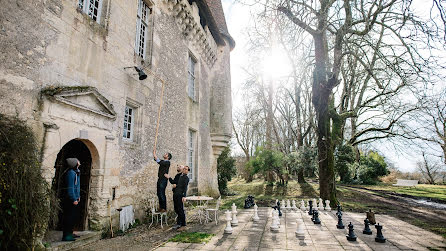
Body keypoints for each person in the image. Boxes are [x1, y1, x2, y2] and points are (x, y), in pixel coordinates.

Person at [62, 158, 81, 241]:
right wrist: (73, 198)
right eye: (78, 161)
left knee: (73, 217)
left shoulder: (76, 172)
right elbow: (71, 188)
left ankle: (70, 232)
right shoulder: (71, 173)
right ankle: (66, 235)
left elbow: (77, 186)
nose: (79, 163)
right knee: (69, 217)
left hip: (75, 198)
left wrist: (78, 196)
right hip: (70, 199)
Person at [172, 165, 190, 230]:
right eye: (184, 169)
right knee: (176, 209)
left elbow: (185, 188)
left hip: (180, 195)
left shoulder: (186, 178)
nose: (185, 170)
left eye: (186, 169)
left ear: (188, 171)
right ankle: (178, 223)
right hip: (175, 194)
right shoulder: (180, 176)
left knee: (180, 209)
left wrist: (184, 196)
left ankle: (183, 224)